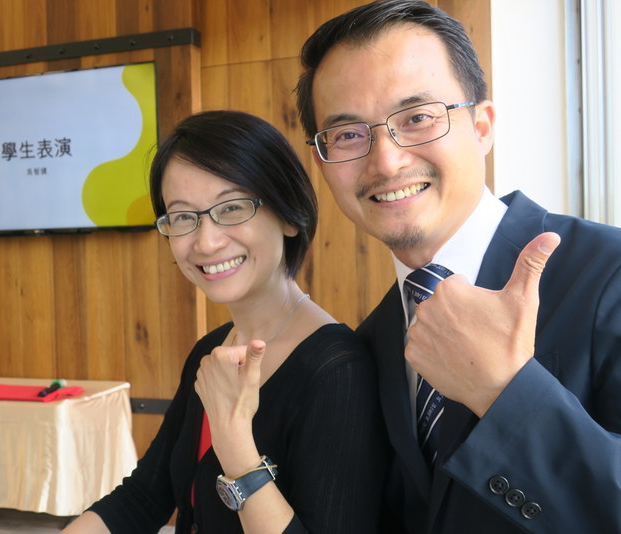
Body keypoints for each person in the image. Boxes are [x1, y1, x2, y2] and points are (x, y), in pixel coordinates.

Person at [295, 1, 621, 533]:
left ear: (483, 126)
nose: (386, 162)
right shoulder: (373, 339)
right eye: (349, 134)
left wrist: (504, 393)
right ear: (322, 161)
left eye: (417, 118)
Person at [61, 110, 387, 534]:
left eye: (232, 207)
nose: (206, 241)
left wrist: (235, 443)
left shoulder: (338, 371)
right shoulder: (212, 350)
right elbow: (144, 497)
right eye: (183, 217)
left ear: (289, 215)